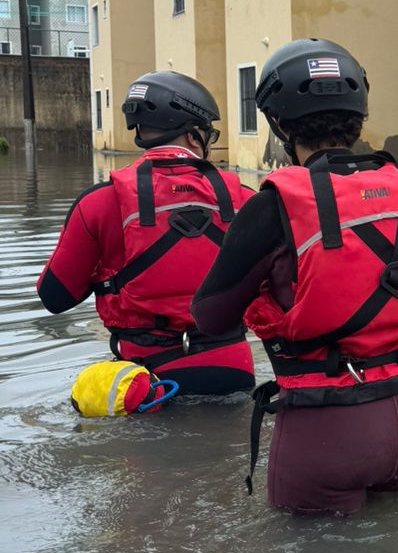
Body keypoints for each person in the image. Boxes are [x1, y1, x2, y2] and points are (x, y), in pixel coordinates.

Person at [192, 38, 398, 515]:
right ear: (358, 112)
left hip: (328, 432)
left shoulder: (273, 205)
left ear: (278, 123)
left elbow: (212, 319)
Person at [38, 71, 257, 396]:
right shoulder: (247, 198)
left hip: (144, 381)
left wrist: (107, 270)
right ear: (194, 136)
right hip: (231, 369)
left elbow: (55, 297)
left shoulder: (98, 202)